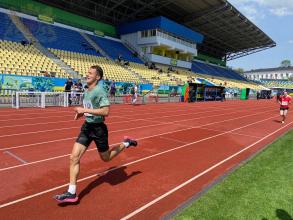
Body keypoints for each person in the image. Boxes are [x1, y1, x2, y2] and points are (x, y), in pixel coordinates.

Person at [54, 66, 138, 203]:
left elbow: (105, 111)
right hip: (87, 127)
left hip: (99, 129)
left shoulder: (100, 91)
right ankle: (72, 192)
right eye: (87, 72)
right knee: (73, 157)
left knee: (106, 158)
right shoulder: (88, 89)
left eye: (90, 73)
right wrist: (82, 113)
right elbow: (91, 108)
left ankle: (127, 143)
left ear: (97, 77)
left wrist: (84, 109)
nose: (87, 75)